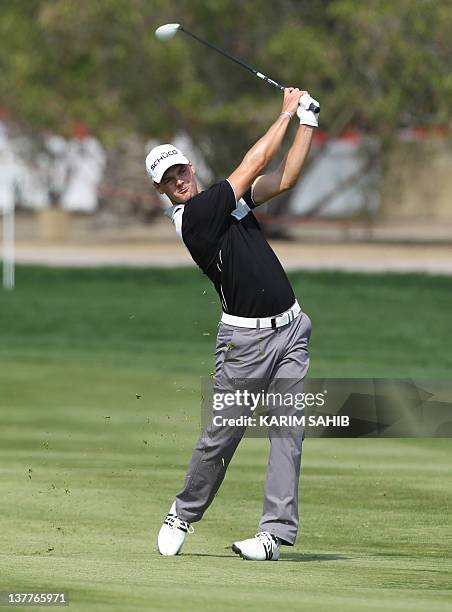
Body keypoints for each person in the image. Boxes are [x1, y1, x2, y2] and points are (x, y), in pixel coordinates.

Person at [146, 87, 319, 561]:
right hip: (245, 343)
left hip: (291, 332)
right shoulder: (194, 216)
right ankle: (183, 511)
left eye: (180, 169)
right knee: (223, 435)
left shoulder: (228, 201)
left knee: (288, 435)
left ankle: (275, 534)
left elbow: (282, 179)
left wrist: (308, 122)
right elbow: (254, 163)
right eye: (168, 178)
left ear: (190, 167)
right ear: (161, 190)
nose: (178, 180)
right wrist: (285, 113)